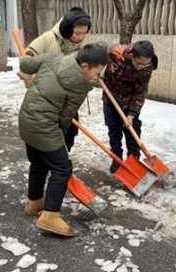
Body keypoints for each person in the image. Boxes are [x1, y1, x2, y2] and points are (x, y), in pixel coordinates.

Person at [18, 42, 109, 237]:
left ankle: (34, 203)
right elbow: (65, 117)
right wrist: (60, 142)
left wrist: (28, 56)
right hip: (44, 125)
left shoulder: (54, 57)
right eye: (97, 71)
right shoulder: (80, 84)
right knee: (62, 168)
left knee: (39, 162)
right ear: (85, 66)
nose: (97, 77)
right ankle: (50, 216)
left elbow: (25, 65)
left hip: (26, 118)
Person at [21, 7, 93, 152]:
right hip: (47, 101)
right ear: (67, 29)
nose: (81, 37)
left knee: (71, 131)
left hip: (67, 100)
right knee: (48, 135)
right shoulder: (48, 39)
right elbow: (26, 62)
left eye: (84, 33)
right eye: (78, 33)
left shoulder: (79, 47)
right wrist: (31, 84)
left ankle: (62, 157)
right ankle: (52, 164)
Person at [102, 41, 158, 173]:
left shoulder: (147, 67)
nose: (141, 67)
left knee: (133, 132)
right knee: (114, 131)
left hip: (130, 101)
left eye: (145, 64)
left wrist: (131, 115)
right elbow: (99, 50)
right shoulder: (117, 53)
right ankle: (117, 160)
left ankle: (134, 162)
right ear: (131, 56)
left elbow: (140, 92)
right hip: (111, 98)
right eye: (138, 63)